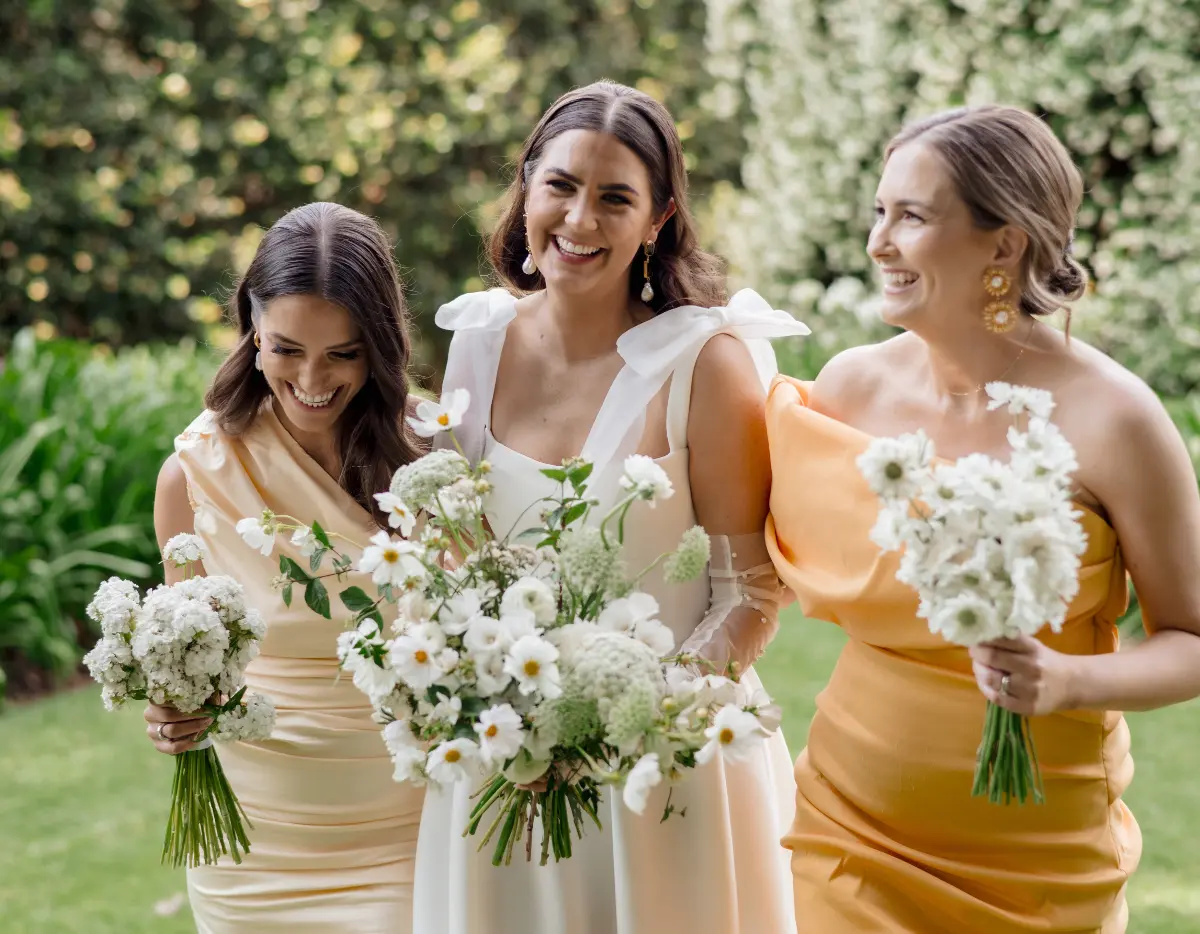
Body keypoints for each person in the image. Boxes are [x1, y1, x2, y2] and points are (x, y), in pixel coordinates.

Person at [765, 104, 1200, 932]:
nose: (878, 243)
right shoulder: (849, 390)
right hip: (847, 831)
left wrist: (1071, 681)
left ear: (1004, 245)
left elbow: (1192, 639)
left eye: (913, 217)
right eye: (879, 212)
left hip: (1041, 868)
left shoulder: (1118, 421)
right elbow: (751, 562)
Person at [414, 80, 808, 934]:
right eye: (559, 185)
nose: (579, 221)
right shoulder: (475, 344)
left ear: (659, 218)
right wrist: (504, 711)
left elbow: (750, 591)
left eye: (615, 198)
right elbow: (457, 564)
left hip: (668, 770)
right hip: (505, 760)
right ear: (527, 186)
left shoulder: (706, 364)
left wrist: (629, 721)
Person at [146, 202, 427, 933]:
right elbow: (189, 664)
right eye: (286, 348)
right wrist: (172, 711)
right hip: (255, 850)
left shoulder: (434, 460)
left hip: (406, 831)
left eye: (344, 353)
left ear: (382, 345)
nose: (311, 378)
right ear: (251, 326)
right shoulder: (194, 476)